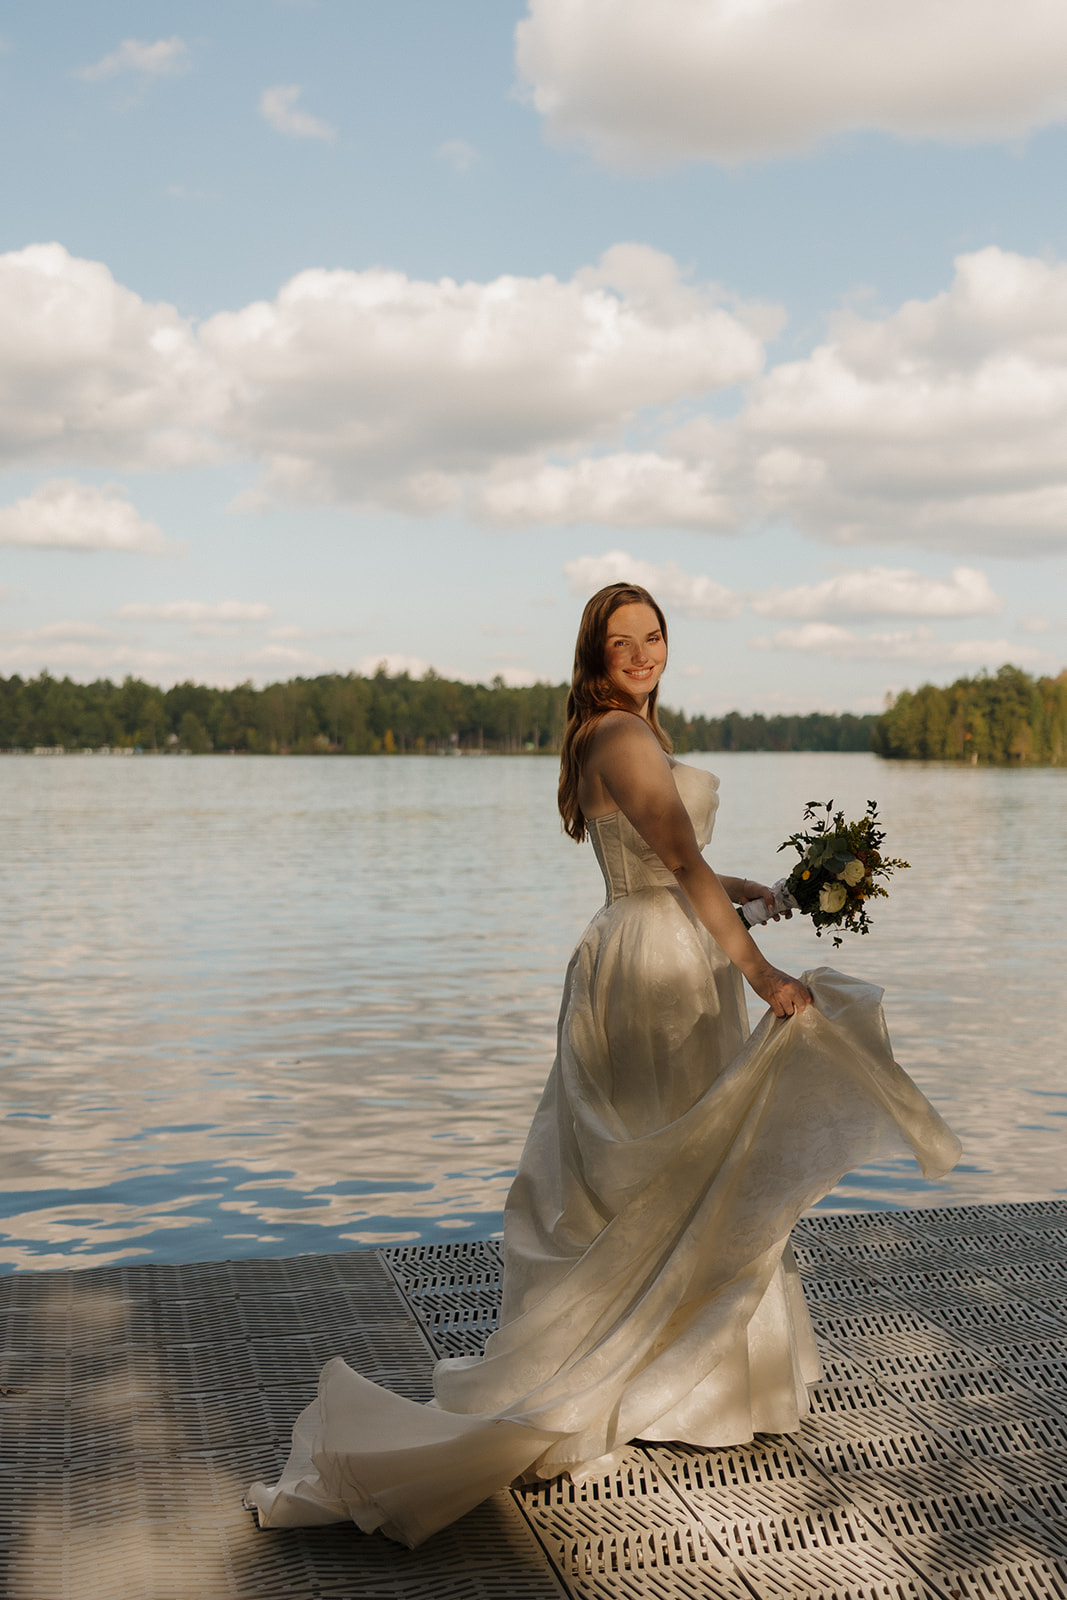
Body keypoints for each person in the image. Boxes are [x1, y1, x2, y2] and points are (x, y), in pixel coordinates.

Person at [246, 583, 960, 1548]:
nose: (641, 652)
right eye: (621, 641)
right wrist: (758, 972)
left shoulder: (626, 734)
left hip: (661, 948)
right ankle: (654, 1383)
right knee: (664, 1165)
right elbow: (671, 857)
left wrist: (752, 891)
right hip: (654, 971)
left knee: (676, 1163)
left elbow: (674, 864)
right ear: (592, 654)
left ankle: (677, 1377)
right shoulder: (620, 737)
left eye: (653, 635)